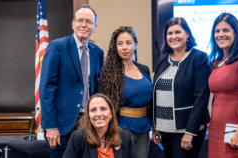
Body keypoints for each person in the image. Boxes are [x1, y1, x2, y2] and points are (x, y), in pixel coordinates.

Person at [39, 4, 104, 158]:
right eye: (80, 20)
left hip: (89, 124)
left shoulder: (97, 53)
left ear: (94, 27)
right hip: (61, 127)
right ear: (73, 24)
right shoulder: (57, 47)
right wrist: (51, 126)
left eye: (89, 22)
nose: (84, 24)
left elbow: (97, 89)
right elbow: (46, 89)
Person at [152, 17, 210, 158]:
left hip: (187, 129)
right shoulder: (163, 59)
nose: (173, 37)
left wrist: (190, 132)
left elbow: (201, 97)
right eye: (169, 33)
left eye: (178, 32)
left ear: (187, 34)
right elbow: (157, 94)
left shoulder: (198, 58)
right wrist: (156, 127)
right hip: (165, 129)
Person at [96, 26, 153, 158]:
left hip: (144, 128)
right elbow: (103, 103)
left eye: (128, 43)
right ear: (115, 47)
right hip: (120, 128)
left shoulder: (144, 69)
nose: (124, 47)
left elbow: (151, 100)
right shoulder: (108, 72)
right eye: (120, 44)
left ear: (136, 44)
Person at [208, 13, 238, 157]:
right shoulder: (216, 62)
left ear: (236, 33)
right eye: (217, 31)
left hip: (235, 130)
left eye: (226, 30)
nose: (220, 34)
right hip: (216, 128)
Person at [63, 93, 138, 158]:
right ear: (88, 115)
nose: (98, 114)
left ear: (111, 114)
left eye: (103, 109)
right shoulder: (78, 138)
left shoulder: (125, 137)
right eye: (93, 110)